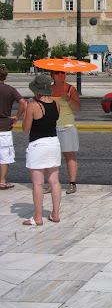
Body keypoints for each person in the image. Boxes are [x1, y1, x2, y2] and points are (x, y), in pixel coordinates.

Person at [22, 74, 62, 225]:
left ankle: (38, 217)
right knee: (54, 181)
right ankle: (55, 214)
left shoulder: (33, 106)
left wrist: (26, 109)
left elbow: (26, 129)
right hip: (53, 143)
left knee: (38, 183)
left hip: (38, 144)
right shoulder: (56, 104)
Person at [50, 70, 81, 194]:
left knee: (69, 155)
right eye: (57, 73)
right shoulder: (48, 90)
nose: (61, 75)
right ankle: (53, 183)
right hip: (51, 127)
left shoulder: (70, 89)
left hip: (66, 125)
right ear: (52, 75)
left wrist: (68, 99)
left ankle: (72, 183)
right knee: (52, 156)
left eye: (63, 73)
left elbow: (77, 108)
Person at [0, 64, 27, 190]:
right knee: (5, 155)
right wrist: (16, 116)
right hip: (5, 125)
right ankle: (2, 180)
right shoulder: (10, 90)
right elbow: (23, 103)